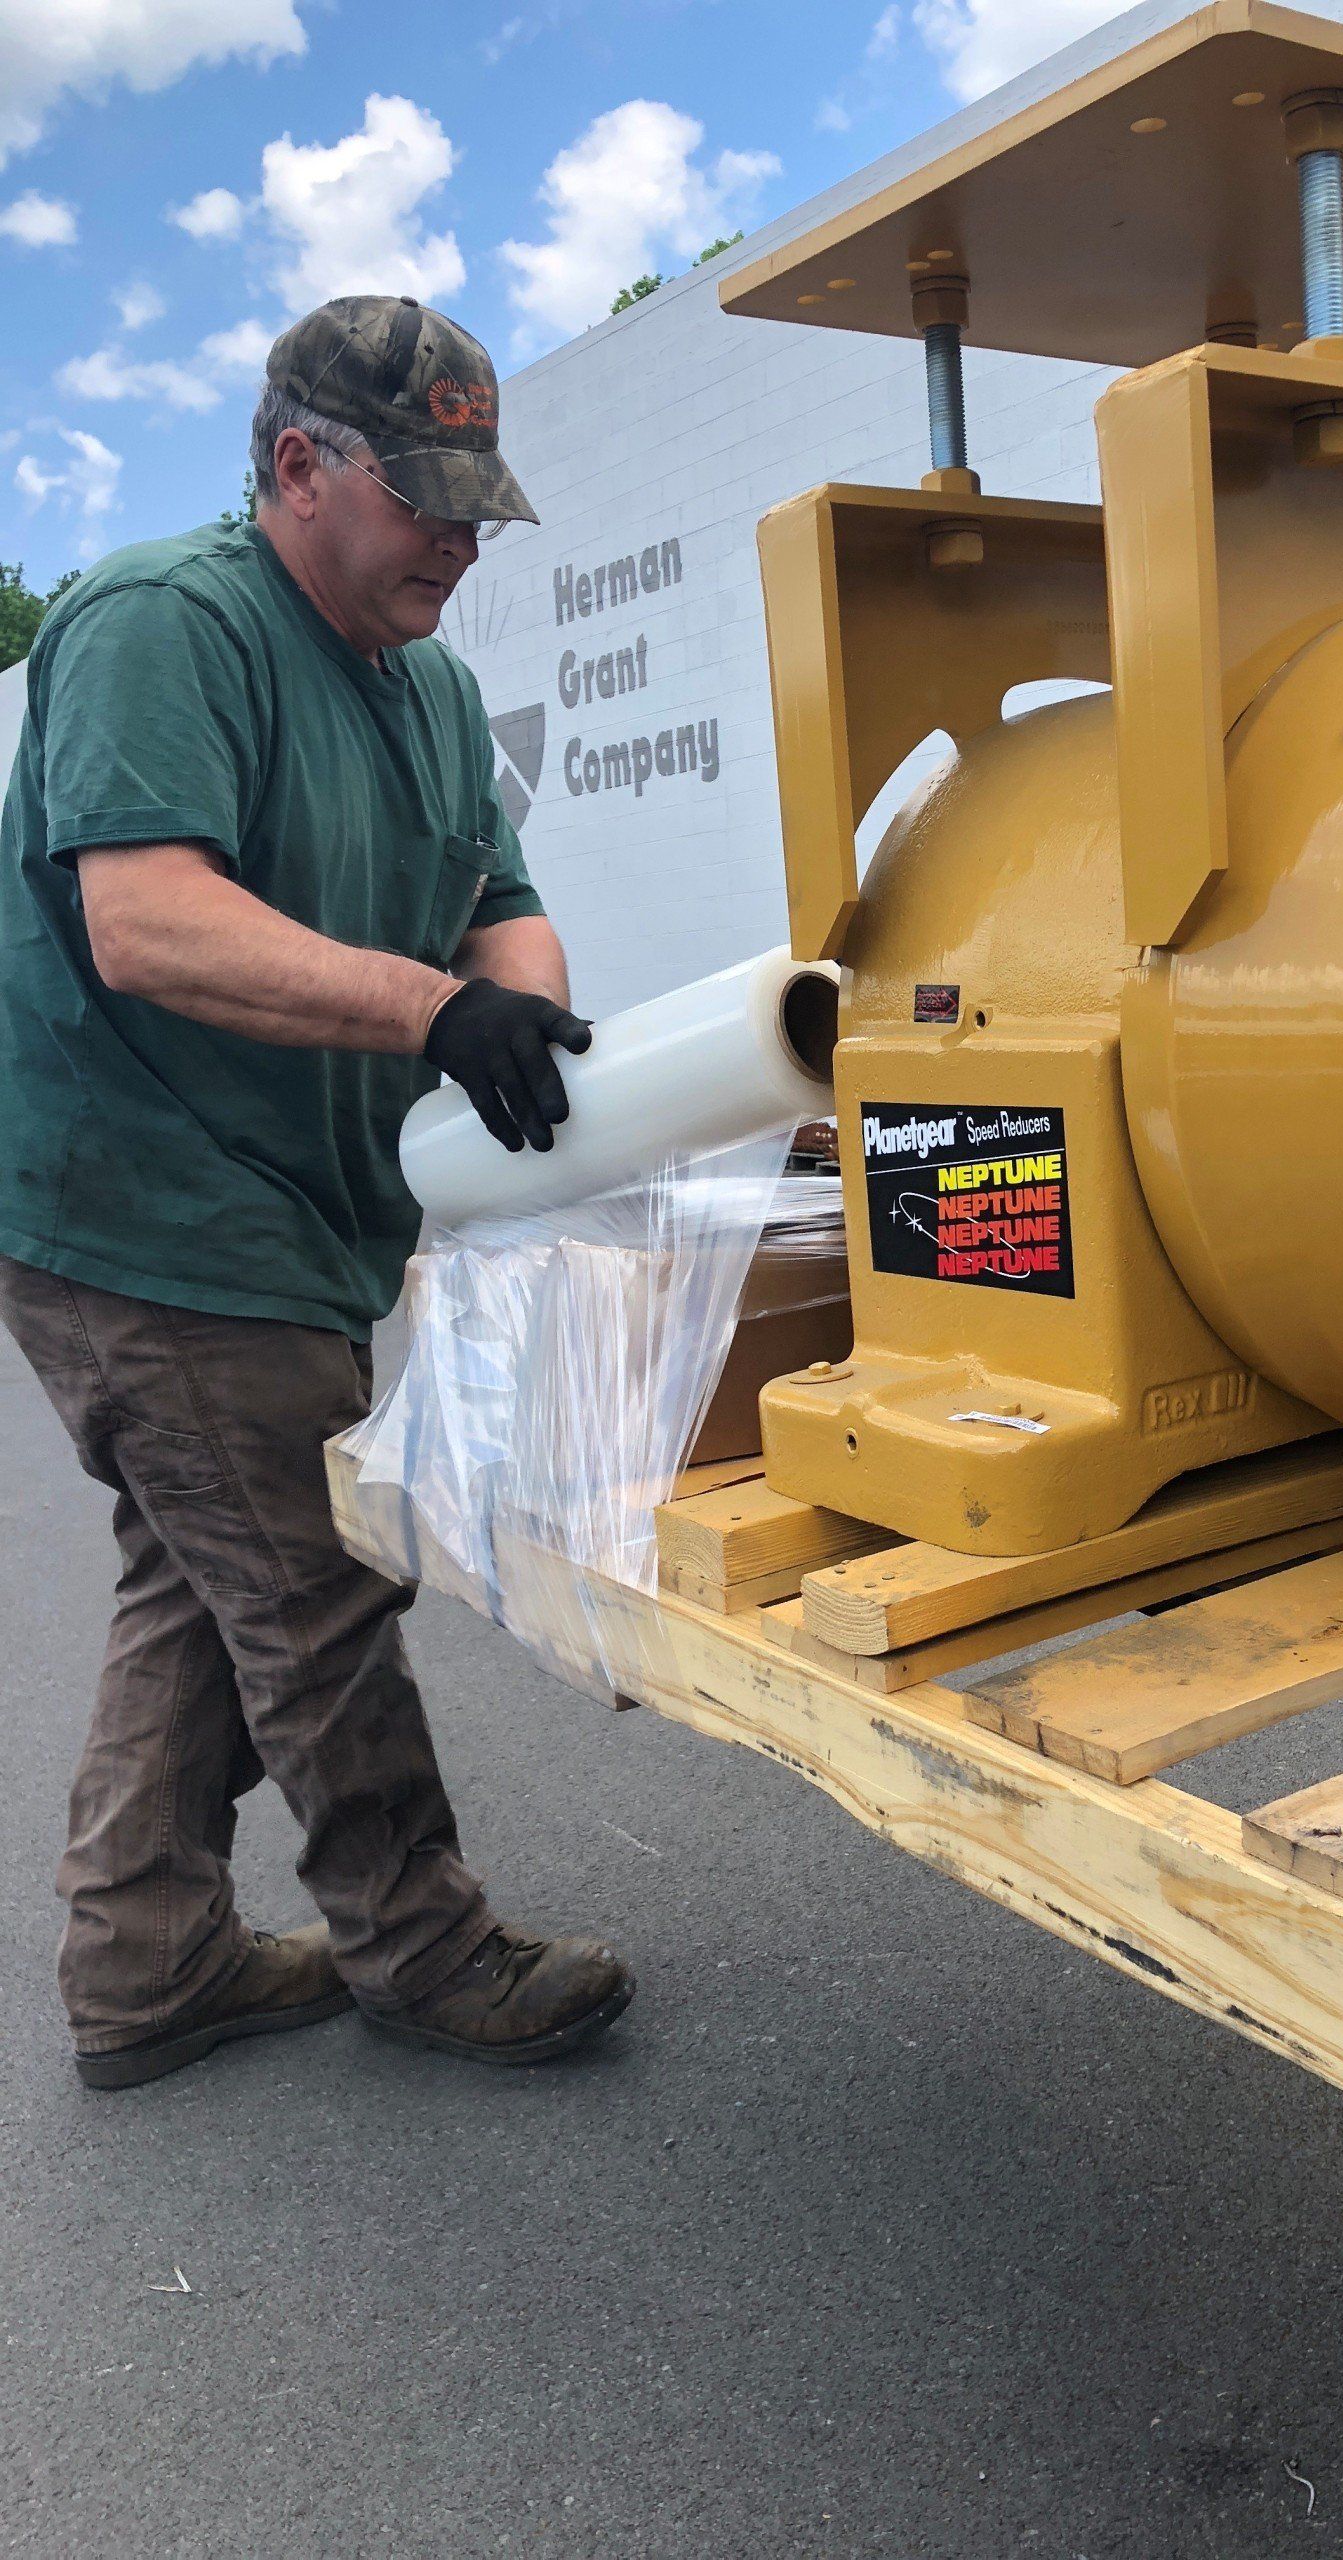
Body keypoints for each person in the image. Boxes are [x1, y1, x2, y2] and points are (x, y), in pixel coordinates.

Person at [0, 294, 637, 2089]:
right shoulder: (161, 621)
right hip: (145, 1207)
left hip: (293, 1208)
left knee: (202, 1591)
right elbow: (145, 919)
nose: (460, 534)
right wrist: (438, 1011)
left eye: (476, 500)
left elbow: (490, 896)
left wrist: (524, 1015)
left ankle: (146, 1964)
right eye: (427, 492)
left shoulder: (427, 687)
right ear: (299, 465)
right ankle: (422, 1944)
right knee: (310, 1588)